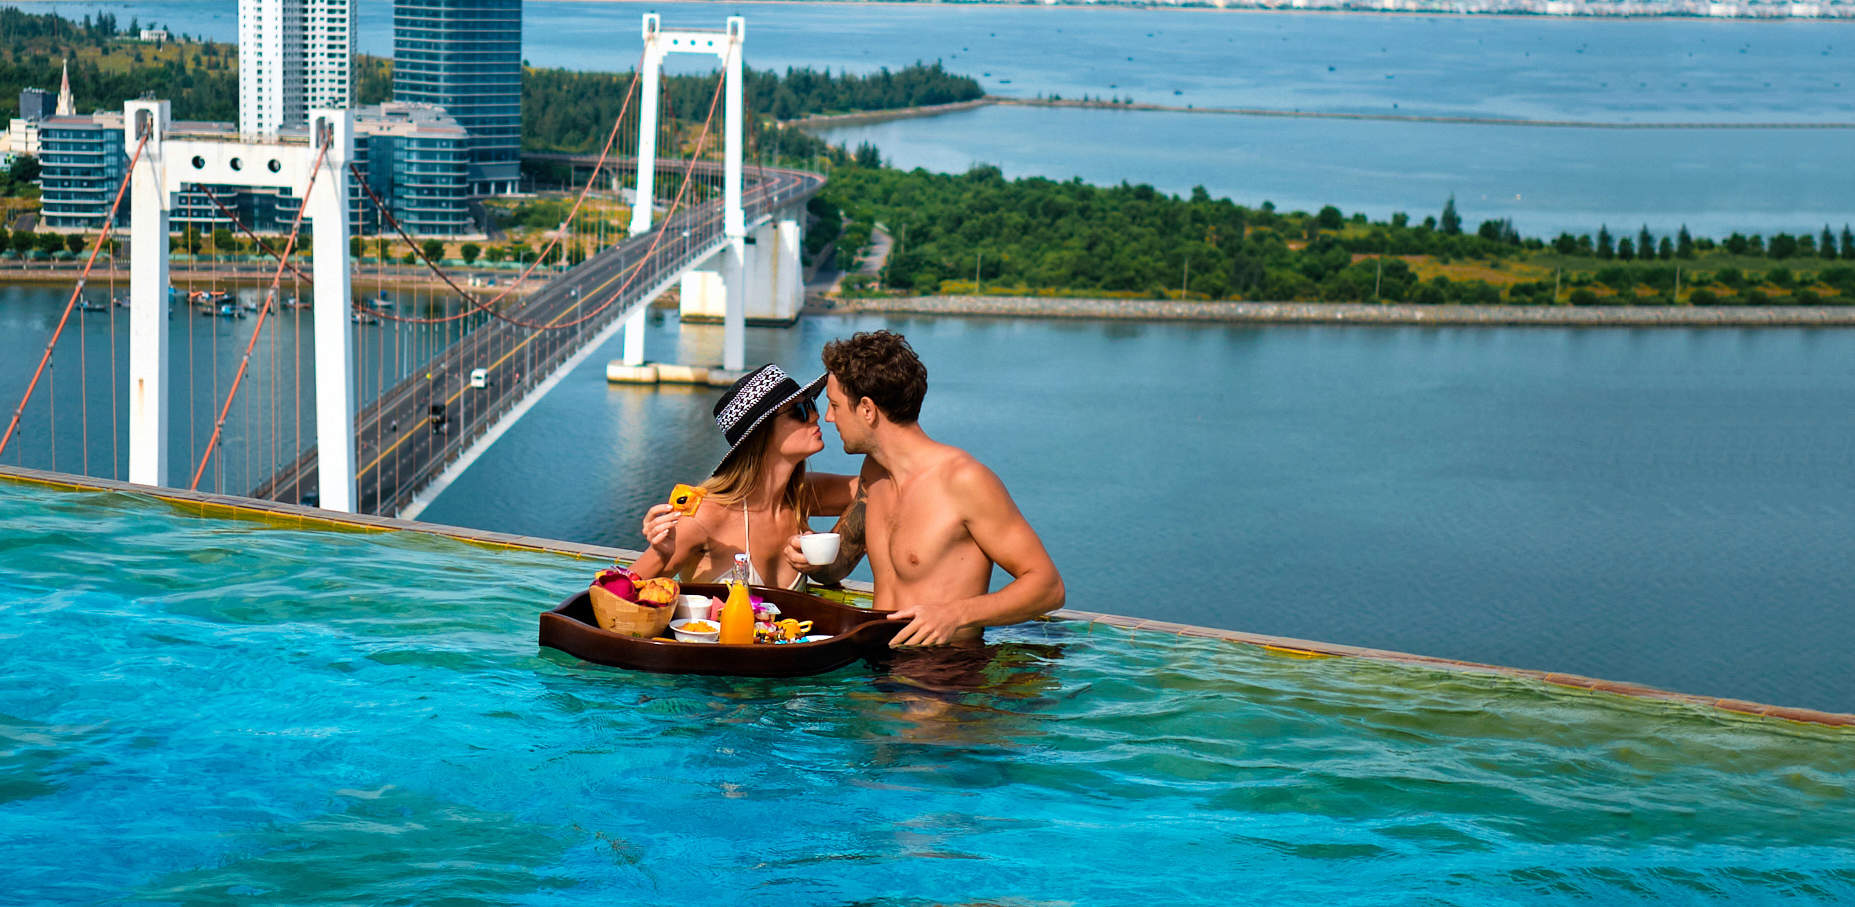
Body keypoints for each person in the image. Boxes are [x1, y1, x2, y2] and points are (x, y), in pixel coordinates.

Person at [784, 330, 1064, 646]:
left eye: (834, 405)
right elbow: (838, 567)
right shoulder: (875, 474)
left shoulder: (963, 481)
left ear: (867, 409)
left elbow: (1048, 587)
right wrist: (814, 561)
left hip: (944, 676)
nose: (830, 418)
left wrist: (956, 614)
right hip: (880, 666)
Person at [631, 363, 856, 589]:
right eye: (799, 410)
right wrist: (661, 555)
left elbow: (879, 486)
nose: (815, 415)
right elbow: (615, 589)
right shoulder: (707, 513)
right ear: (762, 433)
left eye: (810, 403)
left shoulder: (800, 495)